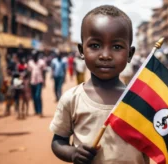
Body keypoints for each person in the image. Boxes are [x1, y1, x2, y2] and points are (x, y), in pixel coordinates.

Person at [50, 5, 149, 164]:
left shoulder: (139, 100)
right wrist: (73, 153)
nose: (105, 55)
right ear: (82, 51)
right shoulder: (72, 99)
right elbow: (58, 142)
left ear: (130, 54)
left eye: (117, 47)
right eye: (95, 45)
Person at [28, 51, 45, 116]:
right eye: (33, 56)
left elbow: (44, 72)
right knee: (34, 97)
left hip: (39, 81)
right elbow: (29, 72)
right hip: (32, 81)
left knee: (38, 96)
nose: (34, 57)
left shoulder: (41, 62)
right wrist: (29, 82)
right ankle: (36, 111)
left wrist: (44, 81)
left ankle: (40, 111)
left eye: (35, 56)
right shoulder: (30, 63)